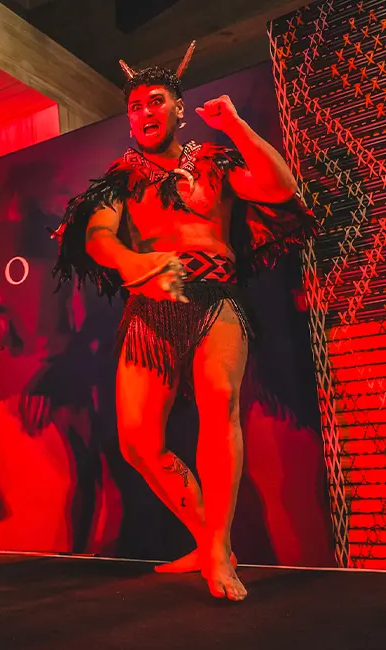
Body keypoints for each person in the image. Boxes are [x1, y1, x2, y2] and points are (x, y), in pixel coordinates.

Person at [50, 43, 316, 601]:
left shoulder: (216, 161)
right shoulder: (121, 180)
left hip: (215, 301)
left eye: (155, 102)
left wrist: (237, 127)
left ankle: (217, 548)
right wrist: (132, 262)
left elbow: (280, 189)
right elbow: (97, 236)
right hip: (150, 310)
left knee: (220, 404)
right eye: (135, 107)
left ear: (177, 108)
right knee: (139, 443)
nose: (144, 113)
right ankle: (206, 536)